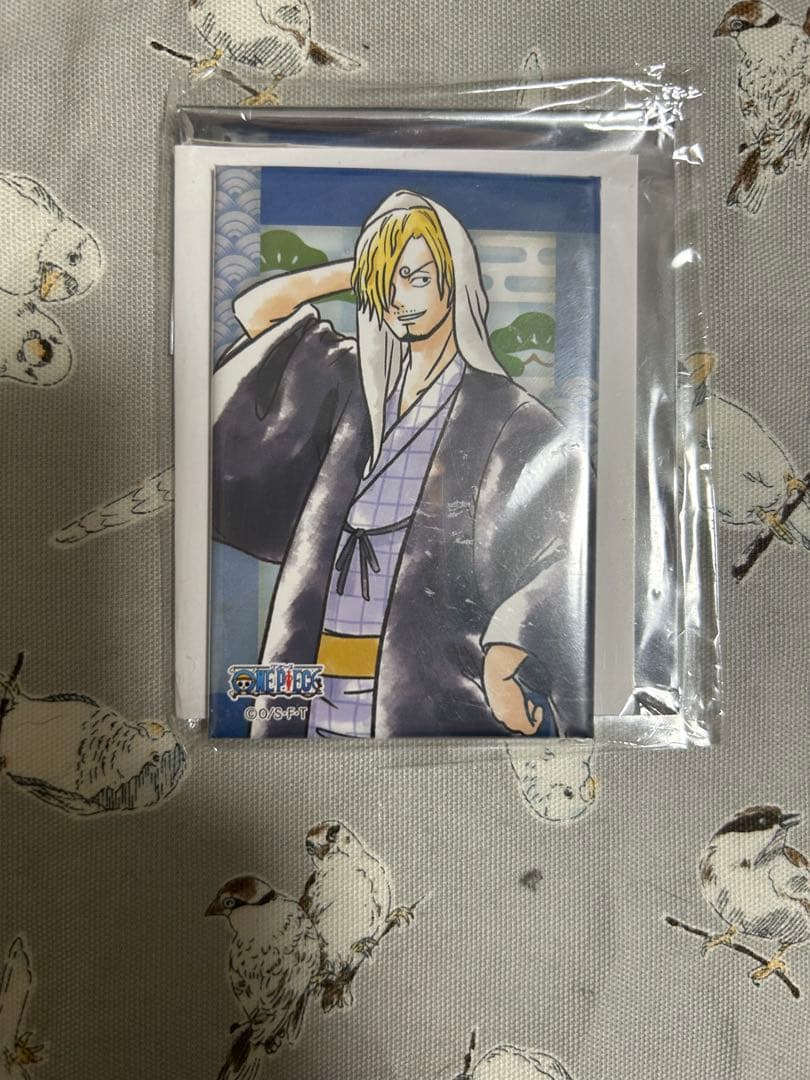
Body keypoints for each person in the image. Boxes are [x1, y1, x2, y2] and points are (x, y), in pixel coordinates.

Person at [212, 189, 592, 738]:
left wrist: (509, 646)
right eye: (389, 282)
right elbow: (257, 310)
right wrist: (368, 265)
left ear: (455, 281)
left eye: (419, 278)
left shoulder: (510, 418)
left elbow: (572, 547)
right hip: (315, 682)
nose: (400, 298)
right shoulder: (353, 384)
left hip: (419, 690)